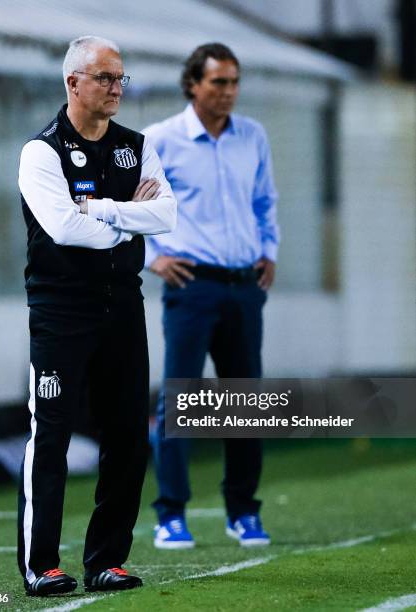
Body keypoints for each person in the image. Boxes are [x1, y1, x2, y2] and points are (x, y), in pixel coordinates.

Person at [17, 36, 176, 596]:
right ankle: (42, 565)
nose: (116, 89)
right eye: (105, 78)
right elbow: (63, 228)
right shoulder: (42, 152)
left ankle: (106, 560)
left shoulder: (136, 145)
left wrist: (103, 208)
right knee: (52, 434)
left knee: (130, 434)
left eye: (121, 79)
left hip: (122, 306)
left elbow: (166, 214)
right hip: (61, 309)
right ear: (73, 83)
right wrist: (131, 214)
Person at [144, 43, 279, 550]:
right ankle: (170, 514)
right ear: (193, 85)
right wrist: (151, 257)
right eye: (218, 82)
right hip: (190, 286)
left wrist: (269, 250)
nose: (228, 92)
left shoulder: (253, 137)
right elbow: (134, 206)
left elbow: (266, 200)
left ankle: (243, 512)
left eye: (234, 82)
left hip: (245, 288)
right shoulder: (161, 139)